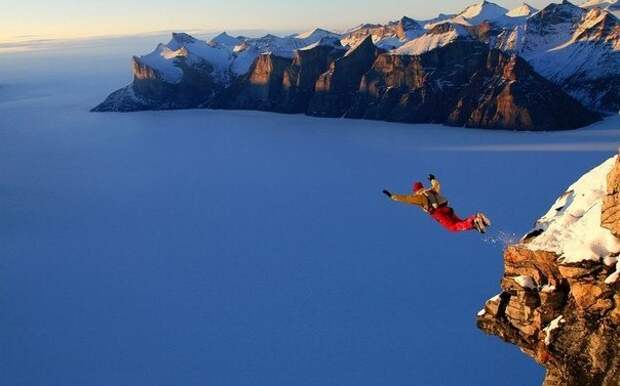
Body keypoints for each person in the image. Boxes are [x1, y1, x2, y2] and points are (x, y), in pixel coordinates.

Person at [383, 174, 490, 233]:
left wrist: (392, 196)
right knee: (459, 222)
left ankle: (474, 220)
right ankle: (475, 221)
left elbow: (406, 198)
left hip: (437, 212)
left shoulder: (418, 197)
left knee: (453, 227)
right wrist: (433, 179)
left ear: (415, 190)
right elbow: (437, 186)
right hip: (447, 208)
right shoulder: (430, 191)